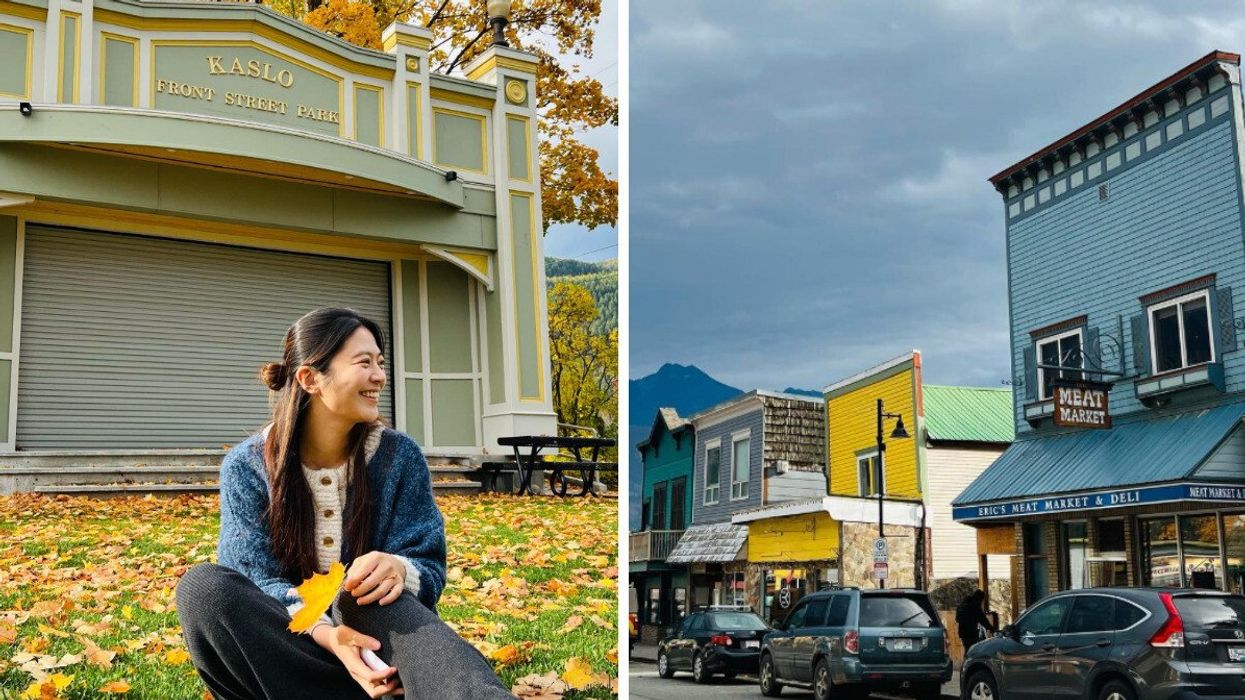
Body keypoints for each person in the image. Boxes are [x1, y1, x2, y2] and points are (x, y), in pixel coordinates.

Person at [175, 307, 514, 699]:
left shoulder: (400, 456)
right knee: (202, 589)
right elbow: (254, 581)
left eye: (381, 363)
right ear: (310, 378)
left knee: (362, 594)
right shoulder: (247, 467)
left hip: (383, 656)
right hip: (293, 657)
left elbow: (428, 564)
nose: (380, 376)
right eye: (364, 362)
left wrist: (399, 569)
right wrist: (329, 635)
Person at [955, 589, 996, 655]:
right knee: (972, 651)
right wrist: (991, 628)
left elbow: (957, 619)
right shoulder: (975, 605)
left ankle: (966, 662)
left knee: (967, 649)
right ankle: (968, 664)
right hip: (971, 633)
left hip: (962, 632)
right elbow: (982, 619)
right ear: (980, 598)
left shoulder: (963, 604)